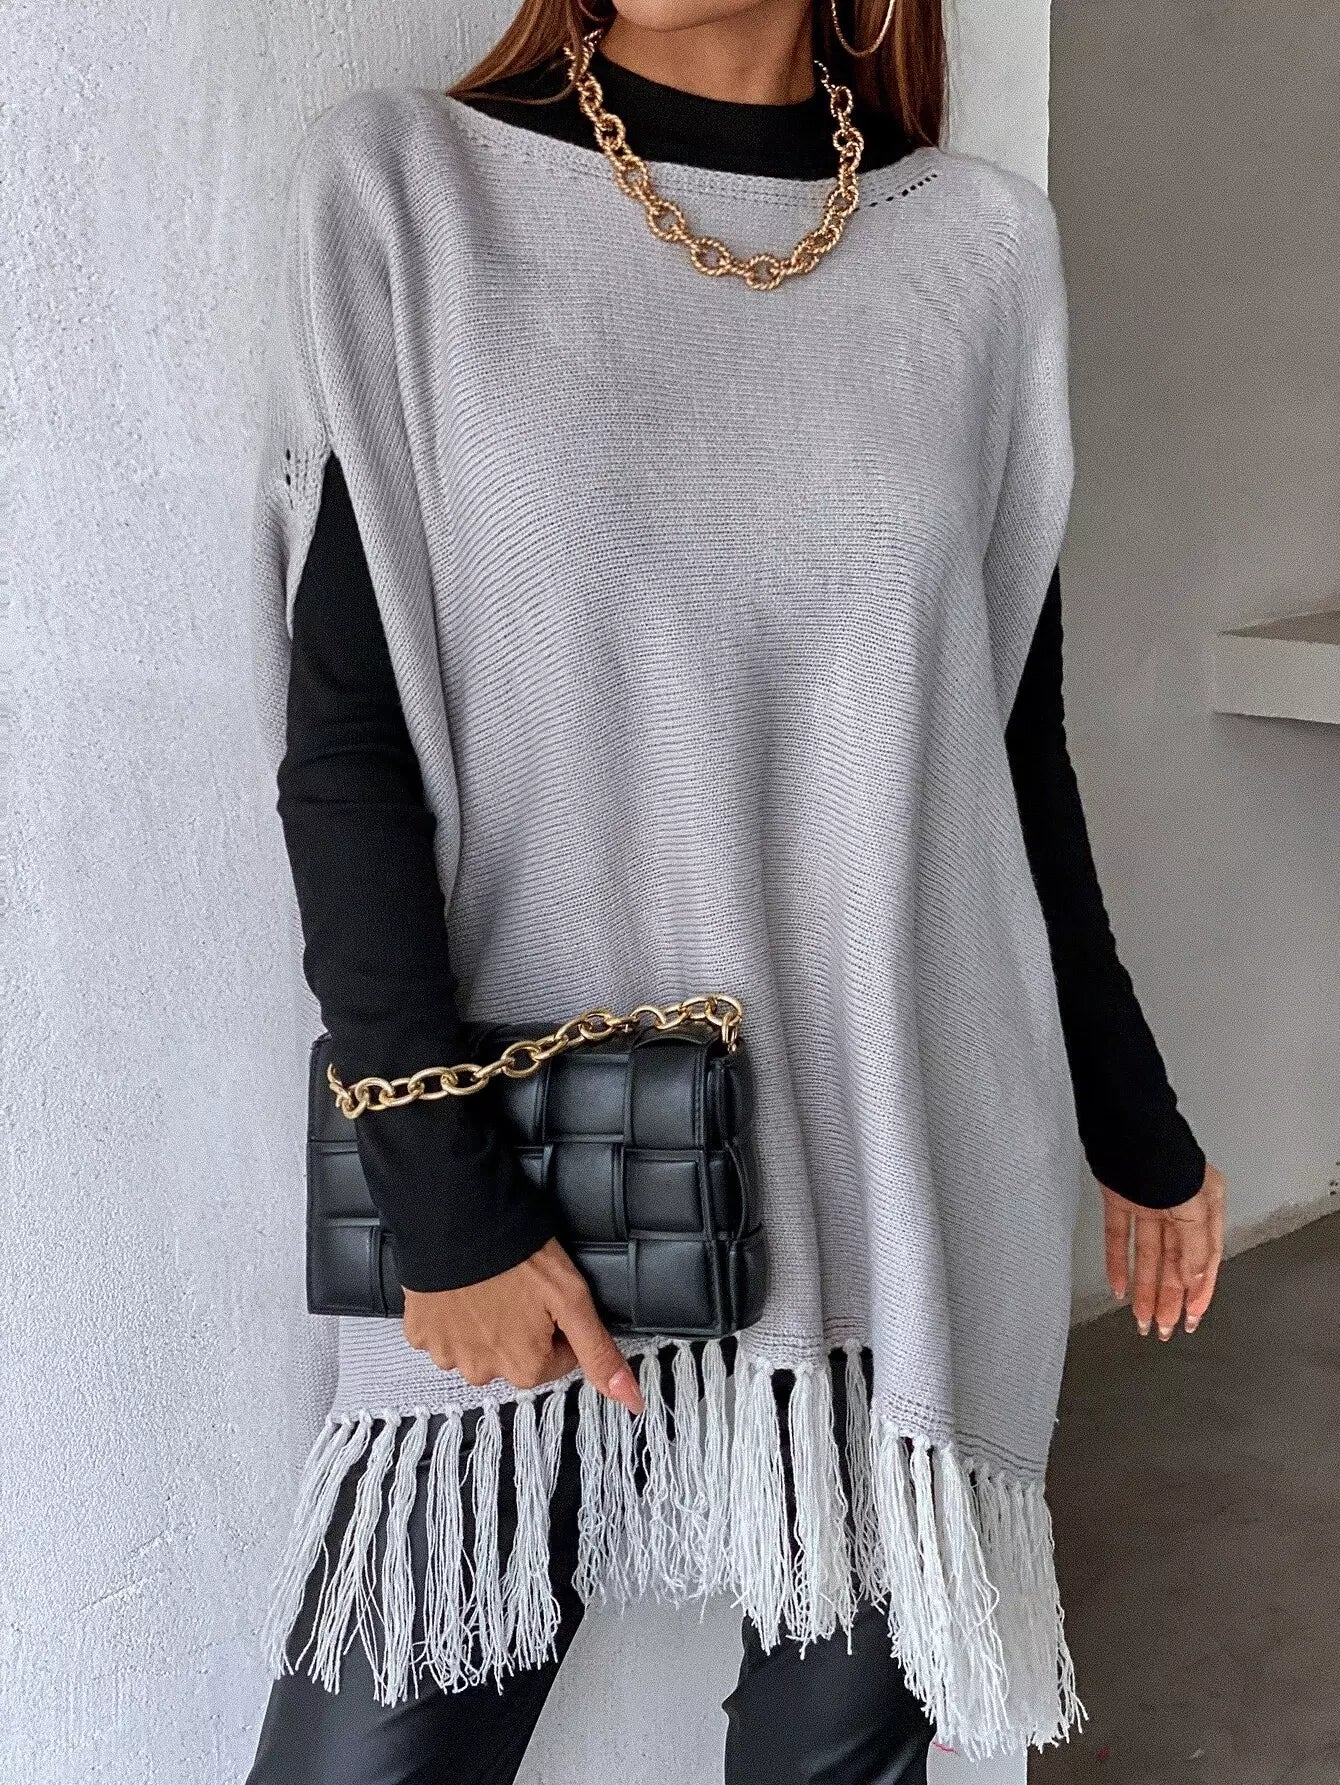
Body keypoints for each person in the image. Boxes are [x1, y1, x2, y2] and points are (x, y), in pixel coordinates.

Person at [243, 2, 1228, 1779]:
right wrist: (444, 1207)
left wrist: (1137, 1125)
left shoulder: (979, 257)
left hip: (899, 1178)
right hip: (537, 1181)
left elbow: (1006, 755)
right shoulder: (411, 197)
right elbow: (346, 754)